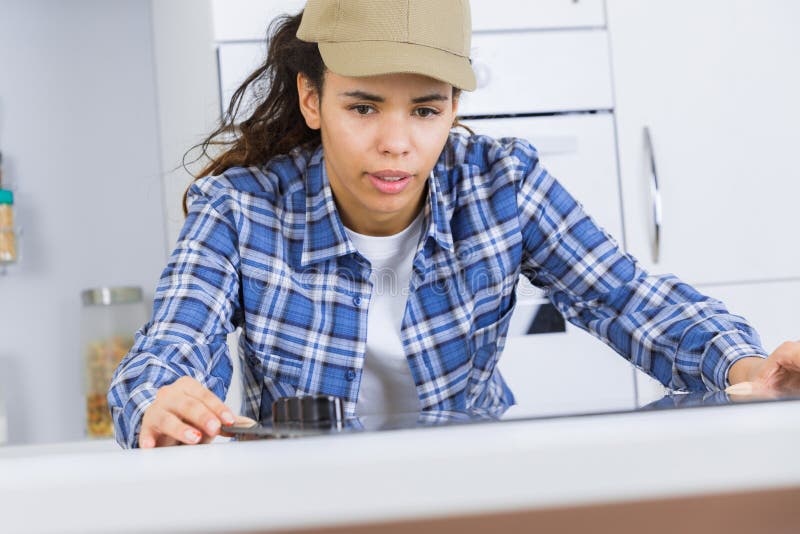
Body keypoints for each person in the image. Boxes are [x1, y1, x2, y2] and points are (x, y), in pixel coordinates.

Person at [108, 0, 800, 449]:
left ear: (454, 106)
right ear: (312, 100)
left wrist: (747, 364)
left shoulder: (503, 185)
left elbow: (626, 297)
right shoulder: (239, 210)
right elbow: (167, 350)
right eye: (364, 107)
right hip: (303, 500)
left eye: (426, 110)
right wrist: (159, 404)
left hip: (467, 488)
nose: (397, 143)